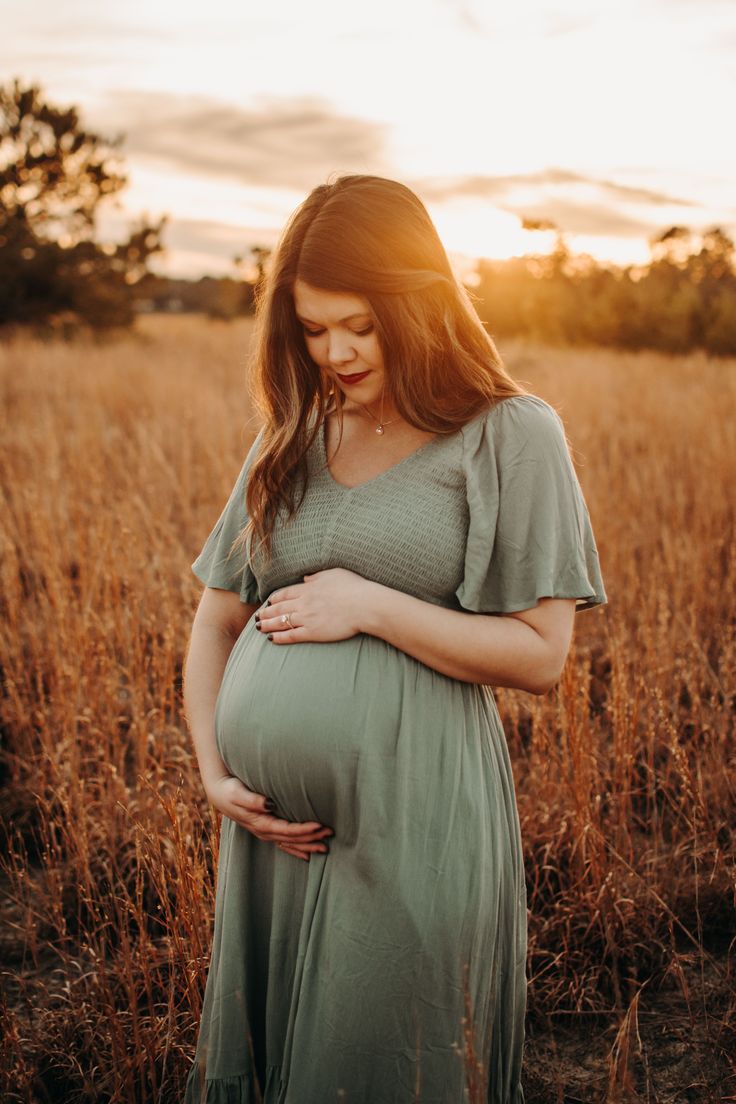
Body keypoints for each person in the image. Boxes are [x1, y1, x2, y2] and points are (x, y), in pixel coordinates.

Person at [182, 174, 607, 1104]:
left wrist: (372, 606)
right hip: (270, 842)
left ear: (418, 301)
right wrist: (217, 774)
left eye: (361, 325)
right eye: (311, 326)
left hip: (416, 818)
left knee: (385, 1063)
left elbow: (542, 655)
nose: (335, 351)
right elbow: (216, 617)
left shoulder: (510, 434)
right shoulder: (292, 434)